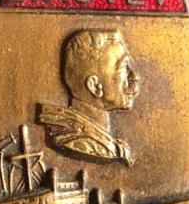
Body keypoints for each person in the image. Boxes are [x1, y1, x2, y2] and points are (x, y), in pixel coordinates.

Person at [38, 29, 140, 166]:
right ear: (95, 86)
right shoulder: (75, 141)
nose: (134, 76)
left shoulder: (108, 143)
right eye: (123, 67)